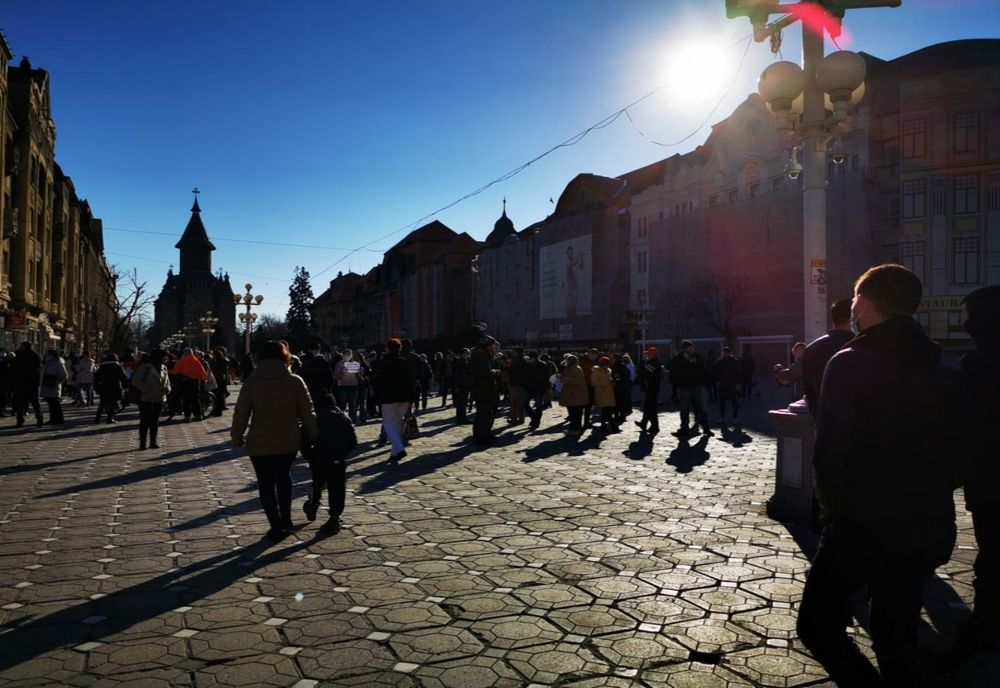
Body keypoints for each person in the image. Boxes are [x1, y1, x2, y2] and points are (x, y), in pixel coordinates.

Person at [796, 264, 964, 687]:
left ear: (866, 303)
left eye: (854, 300)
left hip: (861, 526)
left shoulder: (851, 362)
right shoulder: (942, 365)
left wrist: (833, 516)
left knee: (818, 626)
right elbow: (959, 450)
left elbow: (831, 453)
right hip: (926, 524)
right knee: (896, 632)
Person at [951, 285, 1000, 661]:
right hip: (986, 478)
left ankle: (985, 624)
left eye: (968, 316)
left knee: (992, 553)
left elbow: (963, 428)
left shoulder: (977, 367)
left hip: (989, 480)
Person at [231, 340, 318, 540]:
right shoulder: (296, 381)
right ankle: (286, 519)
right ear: (285, 358)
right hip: (288, 439)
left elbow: (241, 413)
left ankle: (275, 523)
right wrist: (314, 434)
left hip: (259, 442)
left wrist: (236, 437)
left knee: (266, 484)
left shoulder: (252, 381)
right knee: (284, 478)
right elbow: (308, 412)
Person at [302, 392, 357, 535]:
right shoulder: (343, 417)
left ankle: (313, 503)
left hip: (319, 458)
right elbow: (353, 441)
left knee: (317, 482)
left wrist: (309, 454)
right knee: (337, 488)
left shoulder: (314, 418)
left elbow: (304, 439)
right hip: (338, 460)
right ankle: (334, 517)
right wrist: (342, 454)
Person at [800, 299, 855, 417]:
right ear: (853, 318)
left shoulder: (811, 349)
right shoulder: (857, 346)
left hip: (821, 422)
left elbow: (808, 391)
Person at [373, 338, 417, 463]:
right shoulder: (404, 362)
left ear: (387, 348)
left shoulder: (382, 363)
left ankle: (399, 448)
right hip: (403, 397)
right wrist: (412, 398)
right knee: (397, 424)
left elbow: (378, 382)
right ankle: (394, 453)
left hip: (388, 397)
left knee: (388, 424)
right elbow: (411, 381)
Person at [671, 340, 713, 436]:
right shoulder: (679, 358)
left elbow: (704, 370)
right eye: (689, 348)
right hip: (684, 387)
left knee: (702, 408)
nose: (692, 349)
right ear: (685, 349)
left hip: (697, 386)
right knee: (684, 408)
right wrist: (680, 358)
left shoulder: (697, 357)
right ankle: (684, 428)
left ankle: (706, 428)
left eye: (692, 347)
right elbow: (671, 367)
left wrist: (705, 382)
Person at [132, 348, 170, 450]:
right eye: (164, 357)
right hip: (146, 398)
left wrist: (168, 389)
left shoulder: (164, 368)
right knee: (145, 420)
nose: (166, 359)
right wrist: (147, 388)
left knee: (155, 421)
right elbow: (135, 381)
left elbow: (167, 381)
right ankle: (143, 443)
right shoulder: (146, 367)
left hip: (160, 398)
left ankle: (153, 442)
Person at [471, 336, 501, 446]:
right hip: (483, 388)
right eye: (493, 345)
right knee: (483, 414)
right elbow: (484, 372)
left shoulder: (485, 354)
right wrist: (495, 372)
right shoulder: (480, 355)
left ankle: (486, 434)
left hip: (487, 388)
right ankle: (480, 437)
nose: (494, 347)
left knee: (488, 413)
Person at [10, 342, 44, 428]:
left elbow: (13, 366)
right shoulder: (36, 355)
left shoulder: (19, 355)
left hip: (21, 382)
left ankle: (20, 420)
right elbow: (39, 368)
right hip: (33, 383)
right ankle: (40, 419)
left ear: (24, 347)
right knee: (35, 402)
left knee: (20, 402)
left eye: (21, 346)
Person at [174, 348, 208, 421]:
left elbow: (176, 371)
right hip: (195, 382)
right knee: (196, 399)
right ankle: (198, 415)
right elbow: (203, 373)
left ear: (184, 353)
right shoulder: (196, 361)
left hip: (185, 382)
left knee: (186, 400)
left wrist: (169, 371)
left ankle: (187, 417)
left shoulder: (182, 361)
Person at [93, 353, 128, 424]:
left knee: (102, 403)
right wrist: (125, 386)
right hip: (115, 387)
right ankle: (109, 418)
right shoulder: (117, 366)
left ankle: (97, 418)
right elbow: (123, 377)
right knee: (112, 403)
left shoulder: (102, 366)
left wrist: (97, 388)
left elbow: (96, 377)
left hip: (104, 387)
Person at [634, 347, 663, 434]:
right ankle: (644, 423)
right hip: (650, 387)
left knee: (651, 407)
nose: (646, 355)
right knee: (648, 406)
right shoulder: (652, 362)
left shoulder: (654, 362)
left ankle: (655, 426)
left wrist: (643, 362)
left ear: (652, 354)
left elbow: (647, 370)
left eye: (648, 354)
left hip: (652, 387)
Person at [558, 354, 588, 434]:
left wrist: (564, 379)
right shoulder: (570, 368)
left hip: (576, 395)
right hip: (572, 395)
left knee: (576, 414)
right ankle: (574, 428)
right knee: (573, 413)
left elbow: (576, 380)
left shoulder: (576, 369)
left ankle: (575, 429)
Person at [714, 347, 742, 430]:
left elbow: (738, 373)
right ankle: (722, 418)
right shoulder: (720, 361)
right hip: (722, 385)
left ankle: (735, 418)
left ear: (730, 353)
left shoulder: (735, 361)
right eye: (724, 352)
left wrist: (738, 384)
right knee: (722, 402)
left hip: (732, 385)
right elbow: (715, 370)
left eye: (727, 353)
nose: (726, 354)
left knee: (734, 402)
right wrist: (718, 380)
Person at [333, 349, 363, 422]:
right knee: (343, 404)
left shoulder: (355, 363)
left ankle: (352, 419)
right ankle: (343, 420)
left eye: (349, 354)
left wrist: (360, 371)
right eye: (345, 354)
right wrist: (342, 371)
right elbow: (337, 376)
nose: (347, 356)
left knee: (352, 404)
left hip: (353, 386)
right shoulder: (339, 364)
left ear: (351, 355)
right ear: (343, 355)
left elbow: (360, 376)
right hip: (343, 386)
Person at [39, 350, 68, 425]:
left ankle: (59, 419)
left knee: (55, 404)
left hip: (53, 386)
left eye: (47, 354)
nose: (46, 355)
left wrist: (57, 382)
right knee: (51, 404)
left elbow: (64, 375)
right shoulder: (47, 362)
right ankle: (53, 419)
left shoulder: (57, 362)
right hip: (47, 385)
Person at [523, 350, 550, 430]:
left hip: (538, 388)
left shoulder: (542, 365)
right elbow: (525, 375)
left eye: (530, 358)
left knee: (538, 406)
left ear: (534, 358)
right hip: (528, 388)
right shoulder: (527, 365)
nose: (529, 359)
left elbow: (546, 377)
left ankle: (536, 422)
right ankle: (534, 418)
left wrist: (544, 388)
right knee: (525, 404)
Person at [590, 355, 618, 433]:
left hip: (609, 392)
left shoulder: (609, 370)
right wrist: (607, 382)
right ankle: (613, 427)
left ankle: (604, 427)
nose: (608, 365)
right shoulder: (596, 371)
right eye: (607, 364)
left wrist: (613, 382)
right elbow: (594, 382)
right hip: (602, 393)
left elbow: (609, 380)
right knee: (606, 411)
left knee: (606, 411)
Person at [507, 348, 528, 425]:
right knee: (519, 402)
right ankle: (520, 419)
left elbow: (512, 372)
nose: (512, 353)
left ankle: (515, 419)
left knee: (515, 402)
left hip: (516, 384)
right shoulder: (523, 360)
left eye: (514, 351)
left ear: (517, 353)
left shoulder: (516, 360)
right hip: (519, 384)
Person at [579, 349, 599, 428]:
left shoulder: (591, 361)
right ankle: (584, 423)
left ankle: (586, 422)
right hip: (587, 385)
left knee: (588, 406)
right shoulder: (585, 361)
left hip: (589, 385)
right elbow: (586, 373)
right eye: (594, 355)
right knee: (586, 405)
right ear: (590, 354)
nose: (595, 357)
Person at [209, 347, 231, 417]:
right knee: (220, 396)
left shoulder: (213, 361)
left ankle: (216, 411)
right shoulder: (224, 360)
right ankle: (219, 411)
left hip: (216, 379)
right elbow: (225, 369)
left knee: (216, 396)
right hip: (221, 380)